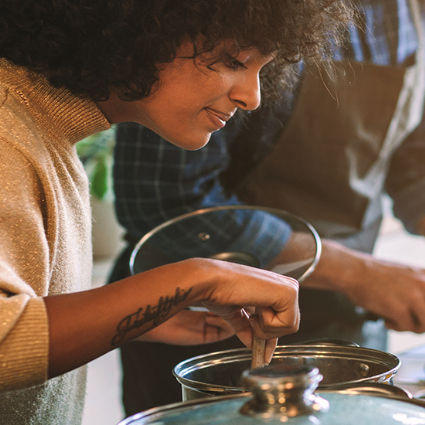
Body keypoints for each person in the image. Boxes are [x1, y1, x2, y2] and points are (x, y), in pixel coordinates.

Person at [0, 1, 355, 424]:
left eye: (261, 69)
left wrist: (138, 318)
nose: (252, 96)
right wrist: (198, 277)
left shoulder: (44, 131)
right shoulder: (9, 134)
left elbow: (23, 304)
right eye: (234, 61)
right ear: (133, 25)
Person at [109, 0, 425, 416]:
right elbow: (166, 201)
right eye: (242, 65)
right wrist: (355, 273)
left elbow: (406, 155)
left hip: (347, 327)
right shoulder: (214, 22)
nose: (252, 95)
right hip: (218, 337)